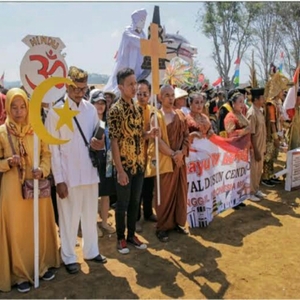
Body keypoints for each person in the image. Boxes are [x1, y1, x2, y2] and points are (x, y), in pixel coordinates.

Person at [45, 66, 107, 275]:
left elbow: (96, 137)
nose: (80, 93)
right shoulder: (55, 111)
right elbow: (53, 149)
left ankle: (91, 251)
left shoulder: (90, 109)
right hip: (68, 175)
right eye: (76, 89)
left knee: (90, 216)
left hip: (90, 172)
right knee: (69, 218)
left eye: (83, 89)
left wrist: (99, 143)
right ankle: (69, 256)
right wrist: (59, 179)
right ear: (68, 86)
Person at [0, 88, 60, 293]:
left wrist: (42, 171)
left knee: (38, 225)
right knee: (17, 231)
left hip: (36, 186)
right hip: (12, 189)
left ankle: (40, 267)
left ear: (28, 106)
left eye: (22, 106)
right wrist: (8, 162)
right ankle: (19, 274)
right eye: (14, 107)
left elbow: (46, 154)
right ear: (8, 108)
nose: (18, 111)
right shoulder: (1, 132)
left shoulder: (37, 128)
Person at [108, 68, 158, 254]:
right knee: (122, 204)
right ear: (120, 87)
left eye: (135, 83)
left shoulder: (138, 109)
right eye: (130, 84)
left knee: (135, 202)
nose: (134, 87)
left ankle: (131, 235)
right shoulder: (115, 110)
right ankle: (120, 237)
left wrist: (149, 134)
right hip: (124, 165)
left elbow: (139, 135)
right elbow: (113, 141)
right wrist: (120, 170)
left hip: (138, 163)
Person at [147, 85, 190, 242]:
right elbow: (157, 141)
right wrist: (173, 154)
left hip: (180, 162)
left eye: (172, 95)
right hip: (166, 161)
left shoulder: (179, 115)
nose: (170, 98)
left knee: (180, 192)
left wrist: (182, 152)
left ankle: (178, 222)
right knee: (164, 195)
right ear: (160, 97)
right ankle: (163, 227)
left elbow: (186, 135)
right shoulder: (156, 117)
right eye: (167, 95)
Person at [90, 90, 116, 235]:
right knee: (94, 195)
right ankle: (93, 225)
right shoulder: (88, 121)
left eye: (102, 103)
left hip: (108, 161)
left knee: (105, 194)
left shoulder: (108, 121)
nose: (100, 106)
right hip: (94, 163)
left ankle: (104, 222)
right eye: (97, 103)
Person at [104, 8, 147, 96]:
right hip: (125, 63)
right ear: (136, 20)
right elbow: (135, 41)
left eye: (144, 20)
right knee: (118, 86)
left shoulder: (143, 34)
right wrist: (149, 43)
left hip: (139, 65)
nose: (143, 23)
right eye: (141, 20)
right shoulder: (127, 31)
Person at [262, 72, 293, 187]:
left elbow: (279, 120)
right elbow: (272, 123)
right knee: (268, 157)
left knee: (273, 156)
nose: (283, 93)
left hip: (277, 133)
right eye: (282, 91)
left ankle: (270, 175)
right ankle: (265, 177)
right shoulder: (271, 104)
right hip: (270, 134)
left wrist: (287, 125)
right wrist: (275, 137)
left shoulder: (277, 103)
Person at [135, 79, 157, 233]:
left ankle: (148, 213)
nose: (142, 96)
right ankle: (136, 218)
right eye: (139, 93)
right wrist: (146, 134)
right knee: (137, 189)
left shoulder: (154, 110)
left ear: (149, 95)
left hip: (150, 154)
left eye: (145, 94)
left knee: (149, 186)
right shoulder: (132, 110)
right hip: (136, 155)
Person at [224, 90, 251, 209]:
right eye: (240, 101)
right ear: (233, 103)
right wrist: (246, 130)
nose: (242, 104)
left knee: (241, 175)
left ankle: (238, 198)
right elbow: (231, 134)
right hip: (234, 150)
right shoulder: (230, 116)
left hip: (243, 149)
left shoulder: (241, 115)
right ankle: (231, 200)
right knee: (233, 176)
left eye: (243, 101)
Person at [246, 88, 267, 202]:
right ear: (256, 99)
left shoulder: (260, 110)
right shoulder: (252, 113)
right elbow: (251, 133)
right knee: (253, 171)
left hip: (261, 144)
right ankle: (251, 192)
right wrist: (257, 150)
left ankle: (256, 188)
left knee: (259, 170)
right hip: (255, 148)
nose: (263, 99)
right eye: (262, 97)